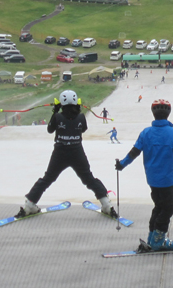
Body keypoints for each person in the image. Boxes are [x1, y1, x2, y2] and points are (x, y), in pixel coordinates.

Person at [115, 99, 173, 252]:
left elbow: (134, 153)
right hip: (168, 179)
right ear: (168, 113)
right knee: (168, 209)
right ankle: (158, 241)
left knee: (159, 207)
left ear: (153, 113)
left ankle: (152, 237)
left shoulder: (146, 133)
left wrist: (121, 164)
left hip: (152, 178)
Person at [18, 91, 115, 219]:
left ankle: (29, 205)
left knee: (47, 179)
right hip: (77, 152)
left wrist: (55, 111)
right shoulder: (81, 117)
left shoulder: (58, 117)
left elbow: (50, 129)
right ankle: (106, 205)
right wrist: (76, 111)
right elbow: (83, 129)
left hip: (60, 152)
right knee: (89, 179)